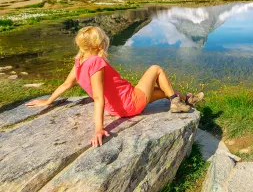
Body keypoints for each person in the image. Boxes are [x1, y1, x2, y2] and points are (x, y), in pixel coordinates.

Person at [26, 26, 203, 147]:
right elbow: (97, 97)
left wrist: (48, 101)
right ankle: (176, 102)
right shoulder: (96, 62)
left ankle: (186, 99)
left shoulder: (79, 62)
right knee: (155, 69)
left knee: (162, 91)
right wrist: (98, 129)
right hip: (131, 103)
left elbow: (66, 84)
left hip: (120, 106)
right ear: (100, 44)